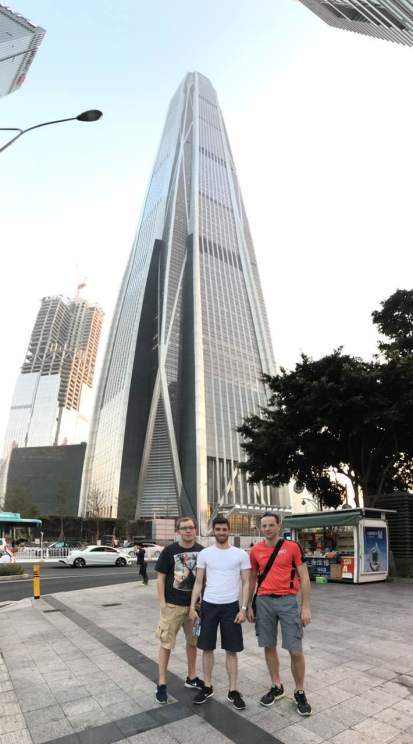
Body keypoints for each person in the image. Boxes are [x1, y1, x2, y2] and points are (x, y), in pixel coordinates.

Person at [248, 512, 312, 717]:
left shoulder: (292, 547)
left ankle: (299, 690)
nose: (267, 529)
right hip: (264, 601)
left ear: (278, 526)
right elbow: (251, 580)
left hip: (287, 601)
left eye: (270, 525)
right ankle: (277, 685)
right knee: (268, 645)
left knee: (295, 649)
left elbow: (304, 577)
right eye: (263, 525)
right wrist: (248, 605)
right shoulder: (255, 550)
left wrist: (306, 606)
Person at [189, 516, 250, 710]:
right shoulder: (205, 554)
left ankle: (233, 690)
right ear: (213, 531)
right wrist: (192, 607)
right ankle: (207, 686)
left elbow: (247, 582)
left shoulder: (240, 554)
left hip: (231, 607)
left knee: (231, 650)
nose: (221, 532)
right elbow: (198, 582)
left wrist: (244, 608)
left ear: (229, 530)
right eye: (218, 529)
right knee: (207, 648)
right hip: (208, 606)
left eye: (224, 529)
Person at [154, 516, 204, 705]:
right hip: (173, 606)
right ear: (178, 531)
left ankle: (192, 677)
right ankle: (161, 683)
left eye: (191, 527)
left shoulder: (202, 551)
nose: (188, 531)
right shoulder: (169, 551)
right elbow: (160, 578)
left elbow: (205, 579)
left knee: (193, 643)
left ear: (196, 529)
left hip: (195, 608)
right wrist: (162, 603)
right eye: (184, 528)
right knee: (166, 644)